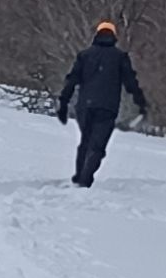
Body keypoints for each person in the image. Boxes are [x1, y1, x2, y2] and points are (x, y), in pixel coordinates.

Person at [57, 21, 147, 187]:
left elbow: (72, 80)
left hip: (85, 106)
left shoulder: (85, 55)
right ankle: (85, 179)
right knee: (97, 145)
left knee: (86, 141)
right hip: (107, 106)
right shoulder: (120, 57)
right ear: (113, 36)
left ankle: (79, 176)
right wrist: (140, 101)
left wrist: (63, 102)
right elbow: (130, 82)